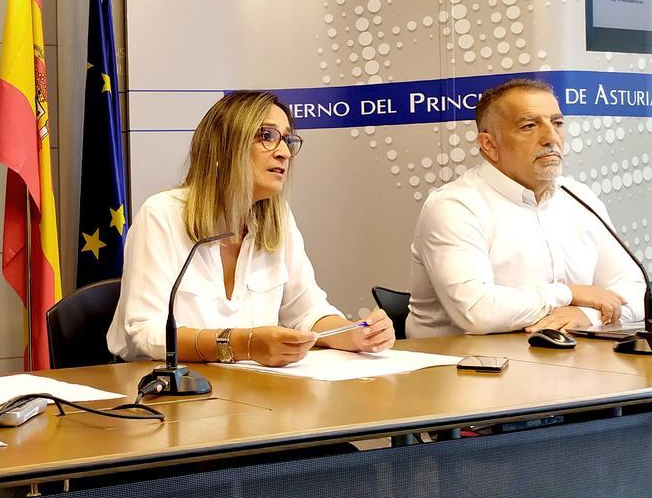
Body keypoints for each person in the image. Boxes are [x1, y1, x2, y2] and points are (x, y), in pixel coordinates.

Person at [107, 90, 394, 366]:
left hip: (251, 393)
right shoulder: (162, 215)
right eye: (267, 136)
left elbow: (306, 311)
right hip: (168, 396)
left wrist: (354, 333)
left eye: (287, 140)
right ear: (223, 147)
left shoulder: (278, 217)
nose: (284, 153)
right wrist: (242, 345)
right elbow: (145, 333)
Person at [408, 78, 645, 338]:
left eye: (557, 123)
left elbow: (635, 289)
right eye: (529, 126)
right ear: (489, 145)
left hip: (568, 363)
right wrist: (568, 293)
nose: (551, 137)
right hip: (465, 369)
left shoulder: (578, 197)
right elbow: (476, 312)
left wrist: (587, 314)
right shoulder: (455, 206)